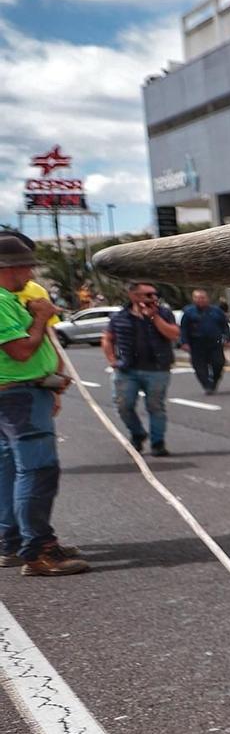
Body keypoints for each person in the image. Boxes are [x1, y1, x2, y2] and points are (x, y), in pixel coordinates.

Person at [0, 233, 87, 576]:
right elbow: (20, 351)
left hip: (13, 396)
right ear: (10, 267)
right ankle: (39, 549)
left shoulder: (9, 298)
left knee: (10, 469)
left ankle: (13, 542)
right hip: (19, 397)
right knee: (37, 470)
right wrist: (40, 317)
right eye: (27, 266)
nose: (32, 274)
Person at [101, 280, 178, 457]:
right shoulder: (119, 317)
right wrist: (112, 359)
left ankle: (158, 443)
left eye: (155, 294)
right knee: (123, 405)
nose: (153, 298)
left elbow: (173, 334)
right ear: (133, 296)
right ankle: (137, 433)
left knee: (155, 407)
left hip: (157, 369)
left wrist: (154, 317)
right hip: (127, 370)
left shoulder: (164, 314)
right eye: (148, 295)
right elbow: (107, 338)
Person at [178, 287, 230, 394]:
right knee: (199, 367)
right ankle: (207, 385)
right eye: (197, 298)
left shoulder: (217, 311)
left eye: (202, 298)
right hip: (197, 344)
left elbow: (225, 326)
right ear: (194, 299)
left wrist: (227, 339)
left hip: (215, 343)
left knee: (219, 363)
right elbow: (184, 328)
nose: (200, 300)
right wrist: (184, 342)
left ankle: (214, 381)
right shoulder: (188, 312)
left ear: (207, 298)